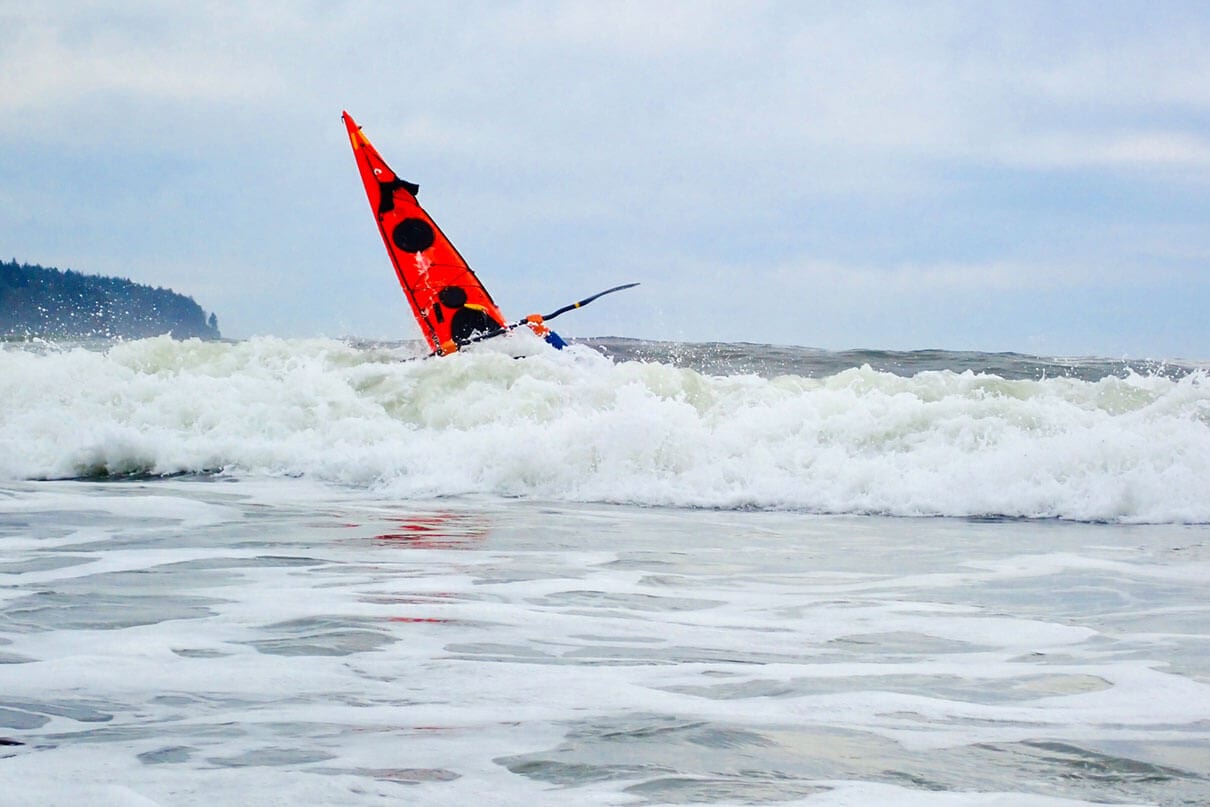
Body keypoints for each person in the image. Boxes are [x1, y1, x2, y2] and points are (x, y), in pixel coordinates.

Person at [437, 285, 504, 353]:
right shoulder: (477, 310)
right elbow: (497, 329)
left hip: (467, 348)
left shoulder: (456, 319)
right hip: (487, 343)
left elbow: (456, 341)